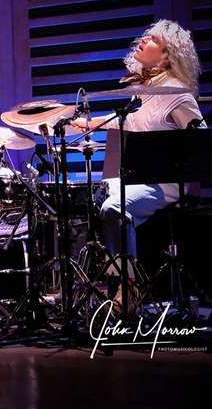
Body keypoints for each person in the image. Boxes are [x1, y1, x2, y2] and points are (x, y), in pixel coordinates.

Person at [72, 20, 205, 259]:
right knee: (96, 194)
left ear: (166, 56)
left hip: (166, 183)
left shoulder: (176, 93)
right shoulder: (143, 90)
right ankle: (110, 272)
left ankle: (128, 282)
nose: (142, 40)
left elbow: (200, 140)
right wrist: (83, 123)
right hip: (139, 178)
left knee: (113, 207)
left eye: (152, 39)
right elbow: (122, 119)